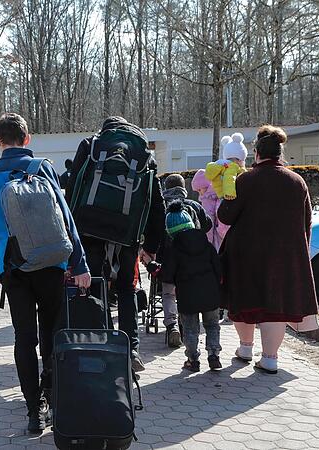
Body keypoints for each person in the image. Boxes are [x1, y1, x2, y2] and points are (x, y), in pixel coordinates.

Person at [0, 113, 91, 433]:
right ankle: (54, 397)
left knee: (23, 338)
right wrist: (79, 264)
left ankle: (33, 410)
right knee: (52, 333)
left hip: (15, 267)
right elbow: (66, 218)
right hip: (52, 263)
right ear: (28, 139)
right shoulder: (43, 168)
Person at [218, 125, 319, 375]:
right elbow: (306, 222)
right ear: (279, 153)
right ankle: (270, 358)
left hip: (246, 254)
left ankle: (245, 347)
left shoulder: (245, 179)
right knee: (275, 305)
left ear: (256, 153)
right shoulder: (297, 182)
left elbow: (226, 216)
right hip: (284, 255)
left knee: (244, 301)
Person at [68, 116, 166, 372]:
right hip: (127, 233)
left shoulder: (91, 146)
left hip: (88, 229)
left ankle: (101, 345)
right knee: (126, 289)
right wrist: (152, 245)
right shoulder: (144, 155)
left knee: (94, 285)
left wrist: (69, 235)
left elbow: (72, 188)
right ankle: (130, 349)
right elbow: (157, 204)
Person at [161, 201, 222, 372]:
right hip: (210, 294)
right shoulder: (206, 244)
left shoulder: (174, 249)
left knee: (190, 329)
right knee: (212, 325)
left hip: (188, 297)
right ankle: (214, 355)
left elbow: (167, 275)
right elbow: (218, 268)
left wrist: (155, 268)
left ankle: (192, 359)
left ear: (170, 231)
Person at [157, 173, 212, 348]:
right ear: (184, 188)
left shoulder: (160, 207)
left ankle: (171, 324)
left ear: (166, 188)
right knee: (185, 292)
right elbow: (208, 225)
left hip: (166, 259)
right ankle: (186, 326)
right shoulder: (194, 205)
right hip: (191, 259)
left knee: (168, 293)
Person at [205, 133, 248, 200]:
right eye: (243, 160)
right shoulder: (232, 166)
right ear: (238, 159)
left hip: (220, 194)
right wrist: (229, 193)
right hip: (228, 196)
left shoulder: (221, 165)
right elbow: (229, 178)